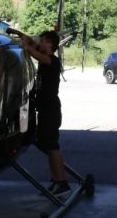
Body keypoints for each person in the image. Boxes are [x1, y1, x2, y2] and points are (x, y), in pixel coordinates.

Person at [6, 27, 70, 198]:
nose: (39, 43)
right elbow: (31, 43)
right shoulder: (43, 56)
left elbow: (33, 52)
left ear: (50, 44)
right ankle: (56, 181)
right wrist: (19, 34)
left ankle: (62, 183)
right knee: (48, 146)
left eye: (42, 41)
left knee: (53, 147)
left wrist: (25, 45)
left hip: (51, 110)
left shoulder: (51, 61)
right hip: (44, 109)